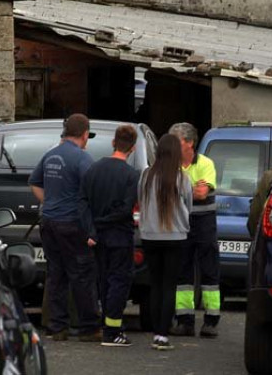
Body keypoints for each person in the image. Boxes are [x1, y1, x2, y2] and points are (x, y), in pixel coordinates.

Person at [29, 113, 101, 342]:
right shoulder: (82, 158)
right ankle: (88, 328)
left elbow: (34, 182)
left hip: (48, 223)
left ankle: (56, 327)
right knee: (82, 275)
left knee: (56, 275)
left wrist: (49, 202)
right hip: (72, 224)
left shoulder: (50, 156)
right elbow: (92, 192)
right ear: (85, 134)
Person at [80, 125, 140, 347]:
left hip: (98, 238)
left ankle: (108, 326)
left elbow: (82, 202)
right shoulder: (131, 175)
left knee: (103, 281)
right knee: (119, 281)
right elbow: (125, 210)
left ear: (113, 142)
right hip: (120, 237)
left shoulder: (93, 170)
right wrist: (103, 221)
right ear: (132, 148)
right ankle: (113, 330)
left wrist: (92, 227)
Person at [138, 134, 192, 351]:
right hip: (175, 237)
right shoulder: (182, 178)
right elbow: (188, 205)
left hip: (150, 236)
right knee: (169, 286)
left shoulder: (145, 176)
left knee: (155, 285)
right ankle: (162, 334)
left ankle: (155, 333)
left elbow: (140, 200)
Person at [169, 122, 220, 338]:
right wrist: (190, 188)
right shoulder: (170, 165)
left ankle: (210, 321)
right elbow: (174, 191)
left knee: (209, 271)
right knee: (182, 273)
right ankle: (185, 321)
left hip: (204, 223)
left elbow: (201, 194)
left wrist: (180, 189)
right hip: (181, 223)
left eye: (176, 142)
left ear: (189, 143)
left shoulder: (206, 163)